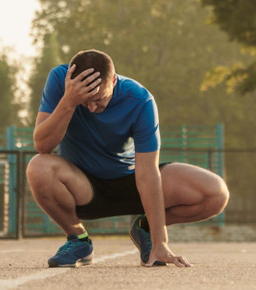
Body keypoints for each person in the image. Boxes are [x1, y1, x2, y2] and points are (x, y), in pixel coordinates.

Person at [26, 49, 229, 268]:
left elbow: (148, 173)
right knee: (38, 167)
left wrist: (161, 242)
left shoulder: (139, 100)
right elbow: (43, 145)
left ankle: (145, 229)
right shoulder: (60, 80)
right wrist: (69, 101)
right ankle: (79, 240)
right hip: (81, 186)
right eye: (86, 102)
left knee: (214, 193)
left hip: (131, 180)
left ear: (113, 80)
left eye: (99, 99)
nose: (93, 108)